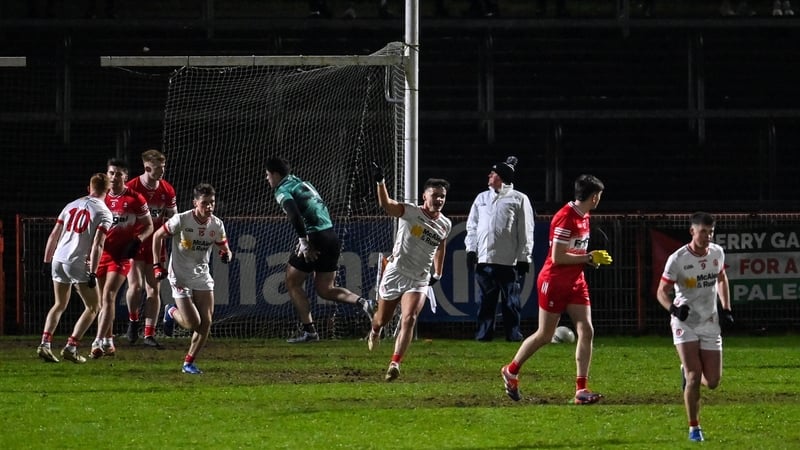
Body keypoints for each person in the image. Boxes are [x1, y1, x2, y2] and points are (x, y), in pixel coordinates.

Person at [500, 174, 612, 405]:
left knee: (587, 330)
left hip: (575, 281)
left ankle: (581, 390)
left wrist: (589, 260)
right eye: (598, 196)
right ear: (594, 197)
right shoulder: (566, 217)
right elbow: (558, 257)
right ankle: (511, 370)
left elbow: (575, 251)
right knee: (545, 334)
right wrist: (588, 256)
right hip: (554, 281)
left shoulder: (584, 215)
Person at [265, 157, 374, 343]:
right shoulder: (301, 182)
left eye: (267, 175)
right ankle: (365, 303)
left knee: (292, 281)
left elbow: (294, 215)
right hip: (330, 235)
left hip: (315, 238)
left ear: (275, 174)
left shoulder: (282, 190)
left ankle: (310, 332)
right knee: (325, 289)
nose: (267, 179)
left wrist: (305, 241)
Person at [367, 163, 452, 382]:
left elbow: (441, 245)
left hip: (419, 278)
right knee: (382, 319)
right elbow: (386, 204)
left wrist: (438, 272)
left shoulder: (445, 224)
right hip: (396, 272)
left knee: (410, 318)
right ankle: (375, 330)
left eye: (443, 196)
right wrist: (380, 182)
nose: (440, 200)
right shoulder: (410, 212)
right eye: (435, 195)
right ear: (425, 196)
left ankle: (394, 363)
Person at [656, 212, 733, 443]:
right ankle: (694, 428)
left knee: (712, 382)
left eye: (711, 232)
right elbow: (661, 291)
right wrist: (673, 309)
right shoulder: (677, 259)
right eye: (703, 232)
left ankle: (688, 371)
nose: (708, 236)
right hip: (685, 323)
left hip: (710, 322)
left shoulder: (717, 252)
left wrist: (726, 308)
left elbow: (721, 278)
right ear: (692, 232)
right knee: (693, 376)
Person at [153, 183, 232, 374]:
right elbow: (157, 236)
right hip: (179, 276)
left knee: (206, 323)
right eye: (205, 203)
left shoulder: (217, 224)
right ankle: (170, 311)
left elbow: (225, 249)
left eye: (212, 203)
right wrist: (157, 265)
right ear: (195, 202)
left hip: (202, 275)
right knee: (192, 323)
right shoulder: (181, 220)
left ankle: (188, 362)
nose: (209, 207)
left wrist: (226, 255)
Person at [38, 173, 113, 363]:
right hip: (77, 262)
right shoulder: (104, 212)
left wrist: (47, 261)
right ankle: (71, 346)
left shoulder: (71, 205)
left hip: (58, 259)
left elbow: (54, 234)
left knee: (59, 304)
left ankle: (45, 344)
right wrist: (94, 272)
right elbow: (98, 244)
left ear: (89, 188)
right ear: (108, 190)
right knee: (94, 306)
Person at [465, 156, 534, 342]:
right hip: (485, 260)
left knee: (511, 302)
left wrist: (523, 257)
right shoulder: (482, 198)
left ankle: (513, 334)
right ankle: (483, 335)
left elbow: (526, 230)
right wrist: (471, 250)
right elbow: (472, 226)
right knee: (485, 302)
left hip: (508, 261)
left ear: (502, 177)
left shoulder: (519, 199)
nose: (489, 175)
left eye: (493, 173)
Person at [91, 158, 154, 358]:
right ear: (107, 175)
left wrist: (138, 240)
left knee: (109, 295)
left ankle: (98, 341)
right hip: (102, 253)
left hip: (122, 256)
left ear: (126, 177)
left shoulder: (135, 199)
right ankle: (109, 342)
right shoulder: (100, 199)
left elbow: (149, 225)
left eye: (119, 174)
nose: (114, 177)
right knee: (102, 301)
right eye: (111, 173)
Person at [124, 149, 178, 347]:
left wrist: (172, 229)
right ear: (147, 167)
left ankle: (149, 334)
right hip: (136, 243)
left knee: (154, 290)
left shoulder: (167, 189)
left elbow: (173, 217)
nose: (162, 171)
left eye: (163, 167)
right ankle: (132, 321)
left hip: (156, 245)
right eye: (158, 168)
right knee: (136, 287)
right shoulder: (132, 187)